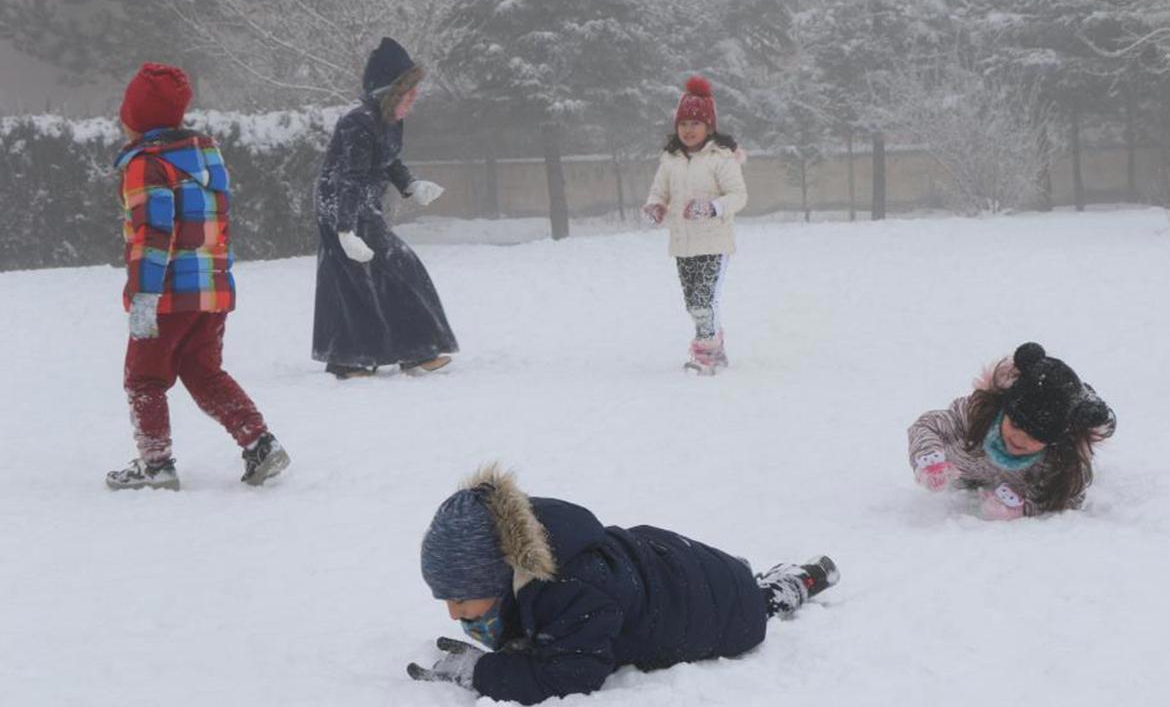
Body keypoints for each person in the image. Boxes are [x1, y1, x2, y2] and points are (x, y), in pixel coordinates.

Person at [411, 465, 839, 704]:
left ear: (499, 574)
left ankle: (792, 585)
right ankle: (752, 578)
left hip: (714, 611)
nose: (453, 613)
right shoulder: (534, 547)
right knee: (730, 581)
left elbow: (573, 675)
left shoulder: (574, 588)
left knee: (752, 601)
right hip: (671, 569)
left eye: (461, 598)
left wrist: (483, 672)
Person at [106, 63, 290, 491]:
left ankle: (156, 464)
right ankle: (259, 442)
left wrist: (144, 296)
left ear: (137, 116)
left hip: (168, 294)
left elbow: (153, 235)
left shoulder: (145, 165)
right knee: (203, 370)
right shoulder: (207, 158)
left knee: (144, 378)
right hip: (212, 291)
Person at [312, 37, 458, 380]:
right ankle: (357, 358)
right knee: (362, 277)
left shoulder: (388, 120)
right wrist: (345, 231)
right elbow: (350, 178)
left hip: (363, 203)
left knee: (394, 270)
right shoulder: (357, 123)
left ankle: (408, 351)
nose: (415, 97)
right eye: (409, 91)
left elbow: (388, 161)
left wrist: (410, 184)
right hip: (341, 206)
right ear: (389, 92)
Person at [908, 342, 1116, 519]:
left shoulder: (1056, 462)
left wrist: (1021, 508)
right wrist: (929, 458)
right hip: (966, 472)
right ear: (1004, 410)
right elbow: (929, 425)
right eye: (1016, 424)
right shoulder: (977, 416)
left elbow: (1068, 496)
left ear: (1052, 440)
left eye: (1035, 436)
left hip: (1011, 484)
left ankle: (1081, 401)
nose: (1019, 438)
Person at [642, 76, 748, 375]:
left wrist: (712, 207)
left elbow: (738, 196)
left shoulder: (721, 158)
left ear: (709, 127)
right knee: (693, 303)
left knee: (704, 300)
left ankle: (707, 354)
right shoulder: (671, 159)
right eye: (683, 123)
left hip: (715, 243)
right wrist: (656, 206)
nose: (688, 130)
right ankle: (716, 345)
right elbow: (659, 191)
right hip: (683, 243)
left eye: (695, 123)